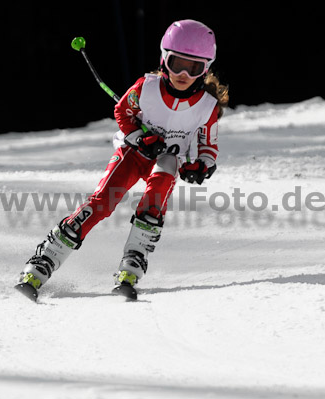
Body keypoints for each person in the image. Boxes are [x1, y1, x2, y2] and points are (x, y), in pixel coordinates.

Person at [17, 19, 229, 297]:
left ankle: (133, 263)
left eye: (194, 68)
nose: (184, 74)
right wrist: (140, 137)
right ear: (164, 59)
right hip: (133, 154)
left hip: (166, 159)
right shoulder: (147, 87)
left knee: (154, 202)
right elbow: (122, 112)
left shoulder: (207, 106)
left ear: (206, 69)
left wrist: (201, 166)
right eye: (177, 63)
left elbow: (208, 147)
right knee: (102, 203)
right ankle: (44, 260)